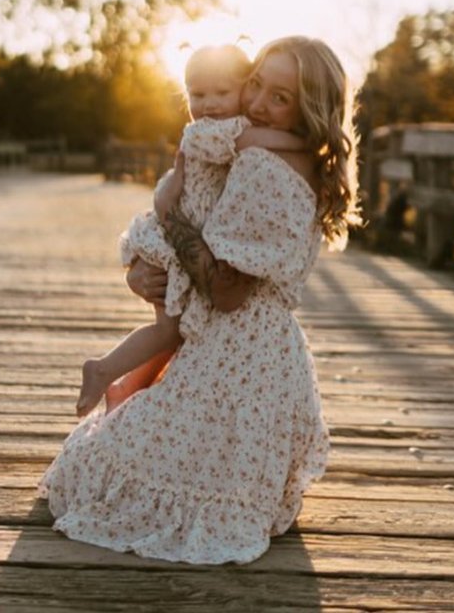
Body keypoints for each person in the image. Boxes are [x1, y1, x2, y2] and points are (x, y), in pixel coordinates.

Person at [39, 36, 360, 565]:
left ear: (307, 109)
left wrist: (168, 213)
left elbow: (227, 293)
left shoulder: (262, 166)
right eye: (256, 83)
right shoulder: (289, 157)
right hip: (270, 363)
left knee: (92, 471)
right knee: (114, 453)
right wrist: (147, 267)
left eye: (280, 98)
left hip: (238, 356)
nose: (256, 104)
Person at [75, 43, 306, 417]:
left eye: (222, 92)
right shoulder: (208, 133)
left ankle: (123, 384)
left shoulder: (226, 129)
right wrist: (305, 142)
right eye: (198, 94)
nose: (210, 103)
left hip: (179, 237)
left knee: (174, 332)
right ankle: (105, 371)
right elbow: (253, 140)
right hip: (170, 240)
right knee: (170, 331)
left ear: (242, 89)